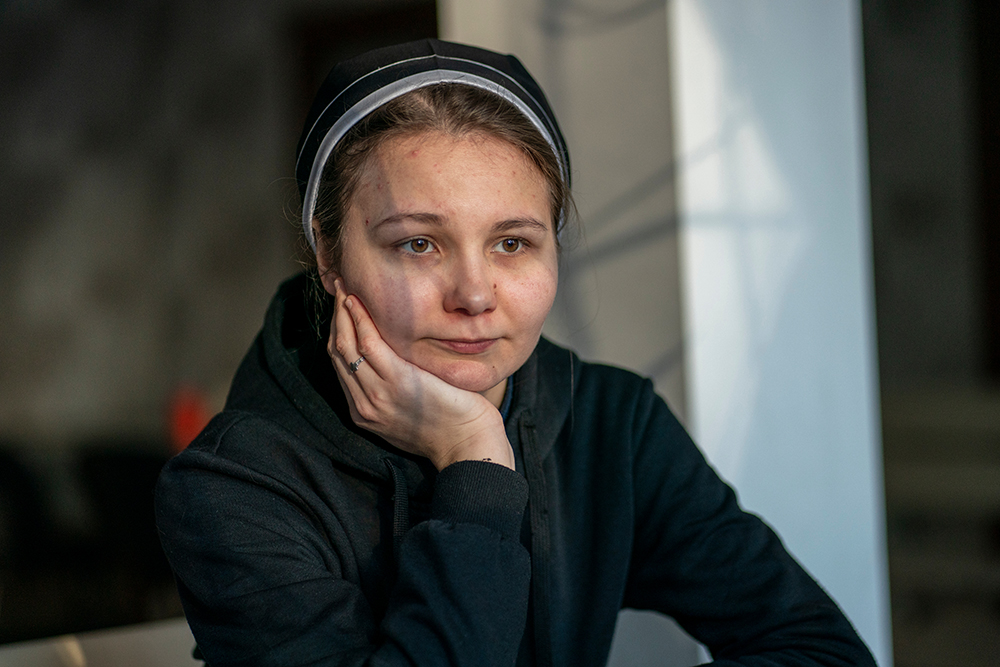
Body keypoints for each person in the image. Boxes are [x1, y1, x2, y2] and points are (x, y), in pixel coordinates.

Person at [155, 39, 876, 667]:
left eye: (512, 243)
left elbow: (825, 651)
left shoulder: (612, 424)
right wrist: (474, 462)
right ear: (328, 255)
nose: (474, 293)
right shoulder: (235, 488)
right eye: (418, 242)